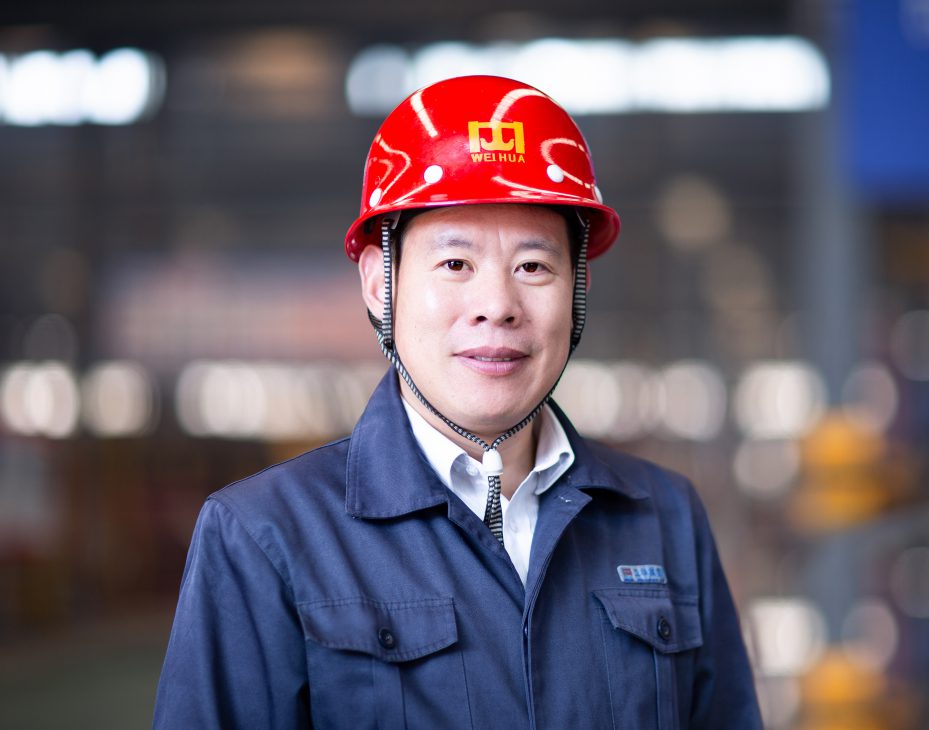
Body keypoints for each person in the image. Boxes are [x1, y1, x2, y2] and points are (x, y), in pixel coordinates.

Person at [154, 74, 762, 729]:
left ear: (578, 288)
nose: (497, 306)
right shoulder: (264, 537)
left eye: (534, 267)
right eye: (455, 265)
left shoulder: (664, 517)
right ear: (380, 284)